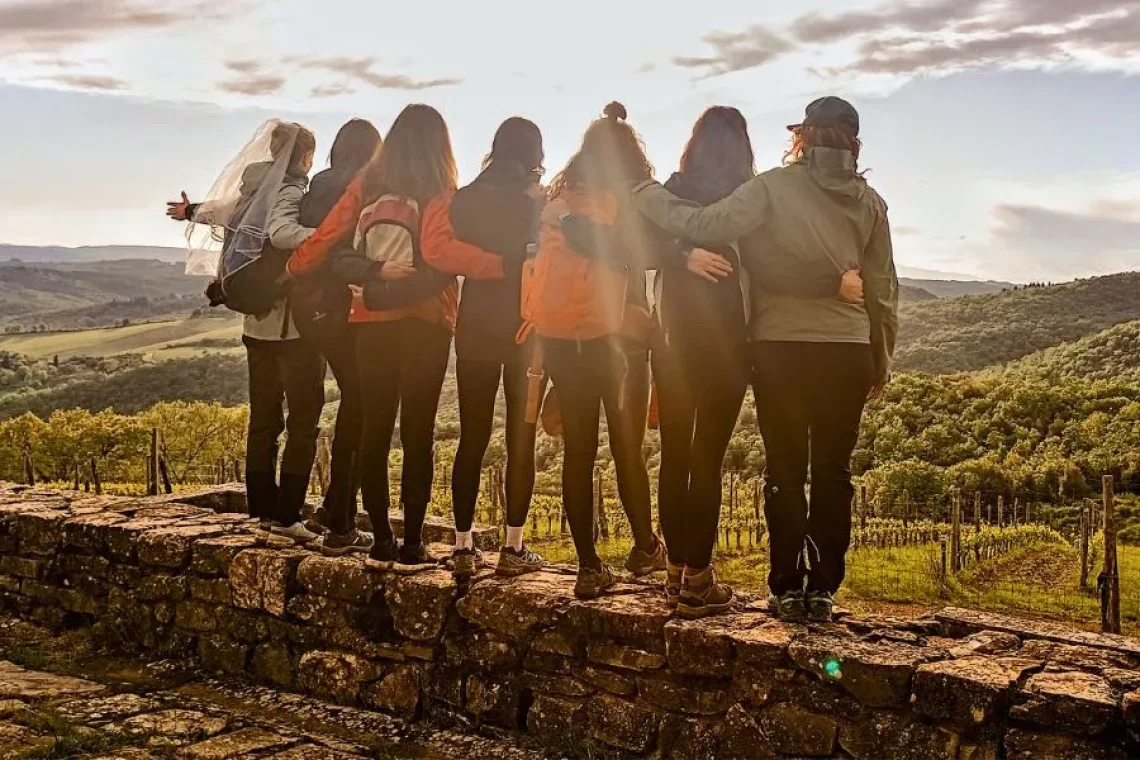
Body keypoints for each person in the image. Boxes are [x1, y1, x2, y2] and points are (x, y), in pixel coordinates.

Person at [626, 97, 898, 622]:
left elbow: (705, 223)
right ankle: (822, 589)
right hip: (849, 349)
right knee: (834, 473)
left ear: (804, 138)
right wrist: (880, 357)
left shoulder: (771, 188)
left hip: (778, 348)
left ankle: (784, 586)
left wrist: (646, 196)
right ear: (854, 144)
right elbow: (883, 290)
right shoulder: (872, 204)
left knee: (786, 470)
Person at [287, 104, 503, 574]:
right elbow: (442, 253)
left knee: (375, 430)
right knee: (418, 434)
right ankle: (412, 544)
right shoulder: (439, 187)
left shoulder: (368, 184)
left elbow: (327, 238)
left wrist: (298, 264)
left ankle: (381, 538)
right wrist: (505, 266)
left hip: (369, 320)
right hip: (427, 320)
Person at [523, 102, 667, 599]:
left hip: (561, 336)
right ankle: (645, 549)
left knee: (579, 452)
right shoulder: (631, 203)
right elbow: (646, 259)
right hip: (621, 338)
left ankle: (588, 566)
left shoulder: (558, 204)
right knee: (628, 447)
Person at [167, 121, 325, 543]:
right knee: (304, 420)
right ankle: (287, 515)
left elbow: (223, 213)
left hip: (254, 326)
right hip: (290, 328)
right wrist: (330, 237)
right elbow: (281, 234)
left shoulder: (251, 190)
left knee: (264, 420)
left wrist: (190, 211)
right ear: (306, 157)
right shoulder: (291, 192)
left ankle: (262, 509)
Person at [267, 118, 383, 556]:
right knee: (362, 405)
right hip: (345, 307)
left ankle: (323, 511)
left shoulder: (318, 183)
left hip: (306, 308)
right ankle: (339, 522)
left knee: (316, 410)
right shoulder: (365, 185)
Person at [445, 118, 547, 580]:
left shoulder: (464, 199)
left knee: (472, 436)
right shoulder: (535, 201)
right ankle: (513, 546)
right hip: (525, 329)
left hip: (474, 328)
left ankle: (463, 546)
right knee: (519, 438)